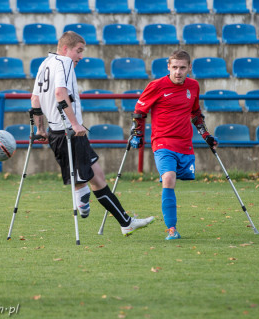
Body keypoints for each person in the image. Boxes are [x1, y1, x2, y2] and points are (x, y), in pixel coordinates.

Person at [30, 31, 155, 236]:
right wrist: (75, 124)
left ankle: (125, 222)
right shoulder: (64, 63)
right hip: (68, 132)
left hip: (57, 131)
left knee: (97, 175)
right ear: (65, 49)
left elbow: (35, 99)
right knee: (88, 179)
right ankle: (83, 200)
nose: (80, 56)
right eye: (78, 51)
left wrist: (40, 128)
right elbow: (60, 94)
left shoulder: (45, 63)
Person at [130, 50, 218, 240]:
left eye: (182, 68)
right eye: (175, 67)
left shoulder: (193, 86)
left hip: (184, 144)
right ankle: (172, 229)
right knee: (169, 178)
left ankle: (172, 227)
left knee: (179, 179)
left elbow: (195, 113)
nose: (178, 72)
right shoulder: (156, 86)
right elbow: (139, 110)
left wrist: (206, 135)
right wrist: (137, 134)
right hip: (162, 141)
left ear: (189, 68)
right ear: (168, 67)